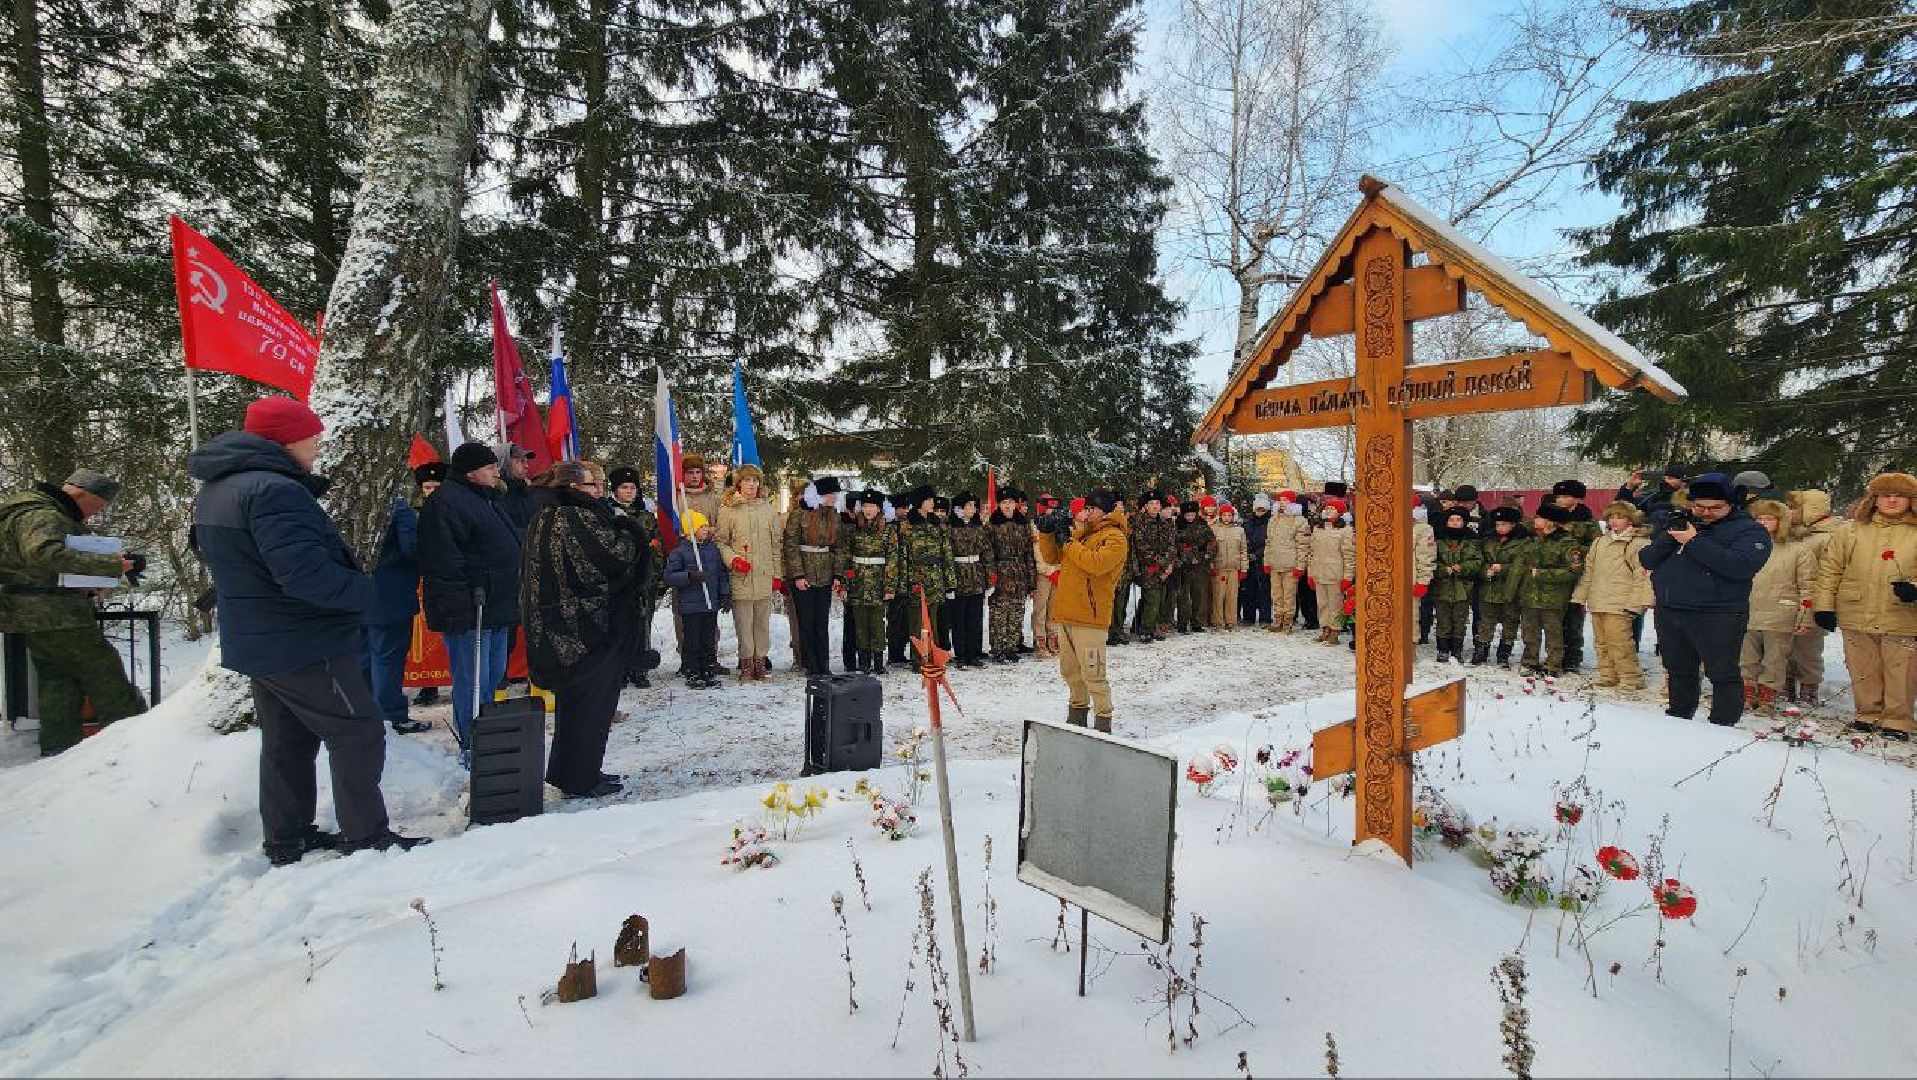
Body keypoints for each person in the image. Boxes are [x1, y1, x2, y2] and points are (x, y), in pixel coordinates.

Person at [189, 396, 426, 864]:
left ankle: (287, 835)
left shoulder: (220, 487)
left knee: (287, 741)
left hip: (261, 637)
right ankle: (365, 835)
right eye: (312, 438)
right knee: (358, 731)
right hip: (302, 639)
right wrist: (365, 591)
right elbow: (303, 574)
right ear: (288, 439)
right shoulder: (275, 491)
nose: (317, 447)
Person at [522, 460, 644, 798]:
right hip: (584, 629)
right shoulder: (574, 517)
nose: (600, 491)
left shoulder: (545, 515)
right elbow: (615, 556)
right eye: (594, 485)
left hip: (560, 625)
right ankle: (581, 777)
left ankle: (571, 771)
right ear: (573, 487)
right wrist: (631, 530)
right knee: (590, 705)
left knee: (574, 705)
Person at [0, 468, 141, 756]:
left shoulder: (27, 510)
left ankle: (59, 750)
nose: (95, 514)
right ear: (80, 494)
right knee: (103, 669)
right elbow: (43, 554)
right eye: (97, 506)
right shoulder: (44, 515)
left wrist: (87, 585)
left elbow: (33, 568)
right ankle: (132, 743)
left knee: (58, 679)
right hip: (55, 613)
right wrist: (109, 566)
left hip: (32, 611)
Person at [1640, 472, 1772, 726]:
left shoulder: (1750, 531)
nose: (1705, 512)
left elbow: (1740, 566)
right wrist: (1671, 536)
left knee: (1723, 673)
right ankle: (1679, 720)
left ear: (1731, 505)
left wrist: (1693, 541)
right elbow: (1647, 559)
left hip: (1718, 613)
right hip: (1671, 609)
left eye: (1714, 508)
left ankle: (1722, 726)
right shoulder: (1682, 523)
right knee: (1679, 671)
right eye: (1698, 506)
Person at [418, 441, 523, 754]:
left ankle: (488, 735)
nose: (496, 471)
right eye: (489, 466)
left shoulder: (487, 498)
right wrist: (457, 608)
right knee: (472, 682)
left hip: (496, 605)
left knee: (491, 679)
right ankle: (472, 743)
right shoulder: (447, 503)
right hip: (470, 610)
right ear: (471, 472)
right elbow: (442, 561)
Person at [1812, 472, 1917, 739]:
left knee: (1900, 669)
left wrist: (1915, 588)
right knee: (1862, 666)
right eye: (1886, 495)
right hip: (1856, 609)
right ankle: (1867, 714)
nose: (1892, 500)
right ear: (1875, 499)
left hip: (1902, 614)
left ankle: (1897, 720)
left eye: (1900, 496)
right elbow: (1830, 568)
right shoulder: (1850, 530)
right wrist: (1824, 605)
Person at [364, 460, 442, 736]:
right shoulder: (398, 507)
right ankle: (390, 715)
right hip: (391, 594)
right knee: (388, 658)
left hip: (355, 593)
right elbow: (413, 549)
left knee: (365, 657)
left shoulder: (353, 504)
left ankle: (366, 713)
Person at [1047, 489, 1128, 731]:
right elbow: (1052, 555)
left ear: (1104, 510)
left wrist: (1069, 542)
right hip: (1067, 612)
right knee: (1070, 671)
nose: (1087, 513)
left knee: (1093, 672)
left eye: (1091, 508)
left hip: (1090, 618)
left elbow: (1095, 564)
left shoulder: (1115, 538)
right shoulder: (1083, 534)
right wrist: (1047, 532)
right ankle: (1077, 714)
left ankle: (1103, 719)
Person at [1738, 499, 1817, 714]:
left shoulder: (1798, 550)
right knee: (1746, 656)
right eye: (1759, 518)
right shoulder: (1745, 546)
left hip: (1780, 612)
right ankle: (1746, 693)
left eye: (1769, 518)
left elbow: (1808, 586)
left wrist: (1805, 616)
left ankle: (1767, 697)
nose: (1763, 523)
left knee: (1775, 660)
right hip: (1747, 610)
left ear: (1781, 521)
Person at [1572, 502, 1654, 689]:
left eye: (1620, 517)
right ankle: (1608, 674)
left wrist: (1638, 602)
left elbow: (1643, 575)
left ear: (1631, 519)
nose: (1615, 521)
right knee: (1601, 641)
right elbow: (1589, 572)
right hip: (1598, 599)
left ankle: (1631, 677)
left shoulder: (1638, 543)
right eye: (1611, 517)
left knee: (1621, 642)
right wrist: (1580, 596)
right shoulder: (1600, 542)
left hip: (1621, 601)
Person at [715, 463, 782, 682]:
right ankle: (746, 663)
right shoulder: (728, 510)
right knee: (744, 623)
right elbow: (721, 542)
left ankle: (761, 662)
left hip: (763, 575)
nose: (751, 485)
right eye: (747, 480)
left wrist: (777, 575)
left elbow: (775, 546)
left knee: (762, 623)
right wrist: (733, 560)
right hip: (741, 577)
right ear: (739, 484)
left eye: (755, 481)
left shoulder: (768, 510)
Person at [605, 466, 662, 688]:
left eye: (633, 488)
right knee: (619, 625)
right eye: (624, 487)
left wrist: (656, 577)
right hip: (619, 581)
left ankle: (639, 668)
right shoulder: (608, 514)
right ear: (615, 490)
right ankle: (619, 669)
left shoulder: (646, 517)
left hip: (643, 579)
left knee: (643, 624)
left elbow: (656, 547)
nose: (629, 492)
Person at [782, 476, 844, 676]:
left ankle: (823, 664)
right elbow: (790, 546)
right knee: (806, 621)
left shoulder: (834, 516)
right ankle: (810, 664)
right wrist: (798, 575)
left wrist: (837, 574)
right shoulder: (799, 515)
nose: (833, 498)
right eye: (830, 494)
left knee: (821, 622)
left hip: (825, 574)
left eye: (835, 495)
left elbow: (839, 547)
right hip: (805, 573)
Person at [1784, 487, 1840, 702]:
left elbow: (1828, 572)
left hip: (1813, 599)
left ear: (1810, 510)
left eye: (1794, 508)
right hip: (1791, 597)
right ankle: (1787, 682)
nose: (1790, 512)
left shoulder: (1828, 538)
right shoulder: (1797, 534)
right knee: (1787, 644)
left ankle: (1809, 686)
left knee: (1808, 648)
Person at [663, 509, 730, 688]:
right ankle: (693, 671)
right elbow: (669, 576)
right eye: (701, 526)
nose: (706, 530)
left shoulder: (713, 550)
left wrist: (724, 593)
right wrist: (690, 577)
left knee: (709, 639)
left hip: (710, 604)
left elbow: (721, 573)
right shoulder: (680, 552)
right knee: (693, 640)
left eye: (706, 526)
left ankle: (707, 669)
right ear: (690, 529)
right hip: (691, 606)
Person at [887, 487, 957, 655]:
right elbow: (901, 557)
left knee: (933, 621)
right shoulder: (906, 526)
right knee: (917, 621)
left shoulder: (937, 525)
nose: (933, 503)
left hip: (935, 579)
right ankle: (919, 657)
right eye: (930, 500)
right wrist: (901, 585)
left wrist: (950, 582)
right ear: (920, 503)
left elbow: (946, 554)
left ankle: (933, 655)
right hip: (915, 579)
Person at [1548, 480, 1599, 670]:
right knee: (1554, 618)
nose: (1561, 500)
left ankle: (1573, 656)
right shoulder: (1551, 516)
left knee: (1574, 617)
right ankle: (1555, 654)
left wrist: (1574, 550)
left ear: (1576, 498)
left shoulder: (1586, 521)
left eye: (1566, 496)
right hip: (1553, 573)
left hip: (1577, 574)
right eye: (1559, 496)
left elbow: (1596, 547)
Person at [843, 489, 894, 674]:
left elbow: (892, 560)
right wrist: (846, 583)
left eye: (872, 506)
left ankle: (879, 662)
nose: (868, 509)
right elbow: (847, 558)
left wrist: (889, 586)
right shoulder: (854, 528)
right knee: (860, 624)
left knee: (878, 624)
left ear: (879, 508)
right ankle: (864, 662)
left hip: (878, 584)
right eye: (865, 506)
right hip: (858, 583)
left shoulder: (888, 530)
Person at [1474, 506, 1528, 666]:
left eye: (1504, 524)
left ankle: (1504, 652)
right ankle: (1482, 649)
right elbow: (1480, 560)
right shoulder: (1488, 541)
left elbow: (1523, 566)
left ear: (1513, 525)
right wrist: (1485, 571)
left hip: (1510, 590)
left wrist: (1503, 568)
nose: (1500, 528)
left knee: (1510, 622)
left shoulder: (1523, 542)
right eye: (1497, 525)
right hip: (1489, 589)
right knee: (1486, 622)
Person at [986, 488, 1035, 662]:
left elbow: (1029, 553)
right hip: (1001, 572)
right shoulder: (992, 525)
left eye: (1011, 502)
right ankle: (998, 648)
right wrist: (991, 576)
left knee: (1016, 611)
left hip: (1019, 572)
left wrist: (1031, 580)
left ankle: (1012, 647)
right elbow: (988, 553)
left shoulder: (1023, 524)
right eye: (1004, 502)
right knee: (1000, 612)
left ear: (1016, 504)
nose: (1008, 506)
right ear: (999, 504)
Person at [1429, 508, 1482, 663]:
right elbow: (1431, 561)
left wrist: (1464, 567)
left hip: (1463, 588)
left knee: (1460, 621)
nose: (1455, 523)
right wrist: (1443, 570)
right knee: (1443, 620)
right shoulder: (1438, 540)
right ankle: (1443, 649)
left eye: (1458, 520)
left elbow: (1478, 561)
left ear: (1464, 522)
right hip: (1442, 587)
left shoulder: (1472, 541)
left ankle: (1456, 650)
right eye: (1451, 520)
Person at [947, 492, 992, 668]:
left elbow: (987, 553)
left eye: (974, 506)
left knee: (975, 618)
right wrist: (949, 582)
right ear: (960, 508)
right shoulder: (950, 528)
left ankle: (974, 654)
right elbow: (948, 556)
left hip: (976, 576)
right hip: (959, 577)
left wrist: (990, 577)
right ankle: (961, 655)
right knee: (959, 619)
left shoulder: (978, 527)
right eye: (970, 506)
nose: (973, 509)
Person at [1305, 498, 1354, 644]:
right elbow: (1311, 553)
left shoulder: (1345, 530)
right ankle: (1325, 628)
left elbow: (1349, 556)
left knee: (1336, 605)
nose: (1328, 511)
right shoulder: (1318, 529)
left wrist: (1347, 577)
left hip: (1335, 574)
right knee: (1322, 604)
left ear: (1339, 512)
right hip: (1319, 573)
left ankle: (1335, 631)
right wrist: (1310, 574)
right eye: (1327, 508)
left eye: (1332, 509)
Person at [1264, 491, 1309, 632]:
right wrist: (1266, 562)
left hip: (1290, 564)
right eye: (1280, 500)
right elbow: (1268, 542)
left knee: (1289, 594)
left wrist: (1300, 566)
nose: (1282, 502)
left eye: (1285, 500)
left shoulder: (1300, 521)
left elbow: (1303, 545)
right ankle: (1277, 619)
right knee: (1276, 594)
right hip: (1275, 563)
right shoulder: (1273, 520)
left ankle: (1288, 621)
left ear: (1292, 503)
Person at [1172, 500, 1215, 633]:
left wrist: (1207, 555)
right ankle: (1182, 623)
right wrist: (1189, 557)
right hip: (1184, 567)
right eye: (1187, 515)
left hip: (1200, 567)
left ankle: (1196, 622)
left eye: (1192, 515)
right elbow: (1175, 546)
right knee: (1183, 596)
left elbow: (1212, 542)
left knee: (1198, 595)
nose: (1190, 517)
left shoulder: (1203, 525)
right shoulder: (1178, 526)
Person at [1029, 492, 1063, 658]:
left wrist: (1059, 568)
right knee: (1040, 609)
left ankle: (1052, 637)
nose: (1051, 510)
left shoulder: (1058, 523)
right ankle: (1040, 639)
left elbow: (1061, 547)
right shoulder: (1035, 524)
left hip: (1057, 571)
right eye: (1048, 507)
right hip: (1043, 572)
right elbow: (1038, 551)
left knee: (1054, 608)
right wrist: (1048, 571)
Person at [1208, 502, 1248, 630]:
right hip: (1219, 568)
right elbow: (1210, 550)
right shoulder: (1214, 530)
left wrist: (1244, 568)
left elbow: (1243, 550)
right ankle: (1218, 621)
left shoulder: (1239, 530)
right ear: (1220, 516)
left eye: (1229, 515)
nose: (1227, 518)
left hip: (1233, 568)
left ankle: (1231, 621)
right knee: (1218, 596)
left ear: (1233, 516)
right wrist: (1211, 566)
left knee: (1232, 595)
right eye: (1224, 515)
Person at [1240, 494, 1273, 627]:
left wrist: (1258, 554)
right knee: (1248, 590)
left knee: (1264, 590)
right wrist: (1247, 553)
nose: (1260, 512)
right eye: (1258, 509)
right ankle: (1248, 617)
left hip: (1263, 559)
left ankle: (1265, 618)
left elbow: (1269, 542)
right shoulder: (1247, 522)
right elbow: (1242, 539)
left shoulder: (1270, 523)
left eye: (1262, 509)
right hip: (1249, 560)